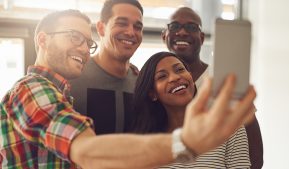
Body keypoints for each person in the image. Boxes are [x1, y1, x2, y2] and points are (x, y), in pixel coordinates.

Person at [0, 9, 257, 169]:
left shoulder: (62, 94)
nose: (82, 49)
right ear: (42, 39)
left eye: (87, 43)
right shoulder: (32, 90)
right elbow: (89, 154)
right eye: (74, 37)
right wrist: (186, 143)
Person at [161, 7, 264, 169]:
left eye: (191, 27)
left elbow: (255, 153)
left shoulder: (223, 81)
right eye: (174, 26)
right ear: (164, 35)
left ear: (202, 38)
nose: (182, 32)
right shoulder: (157, 85)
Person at [131, 51, 251, 168]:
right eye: (162, 76)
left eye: (180, 69)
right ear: (152, 94)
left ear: (192, 79)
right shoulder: (145, 144)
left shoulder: (226, 127)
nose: (175, 77)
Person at [70, 0, 142, 135]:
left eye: (138, 27)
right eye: (121, 23)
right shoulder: (73, 75)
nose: (131, 32)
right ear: (101, 28)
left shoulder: (141, 82)